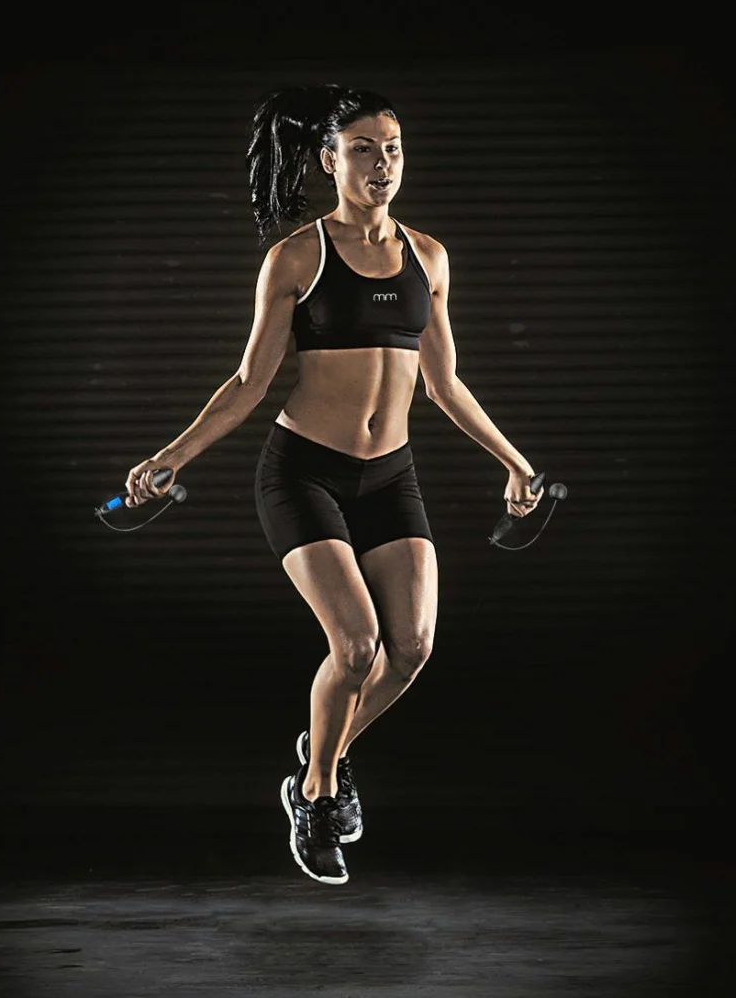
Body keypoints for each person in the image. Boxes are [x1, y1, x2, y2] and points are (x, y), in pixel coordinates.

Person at [125, 84, 542, 885]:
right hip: (303, 472)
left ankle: (322, 752)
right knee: (355, 647)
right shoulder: (297, 258)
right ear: (328, 160)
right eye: (362, 150)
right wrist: (170, 456)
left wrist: (514, 461)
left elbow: (444, 385)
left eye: (392, 148)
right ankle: (316, 795)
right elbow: (249, 383)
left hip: (391, 476)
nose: (382, 163)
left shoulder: (429, 257)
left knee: (411, 649)